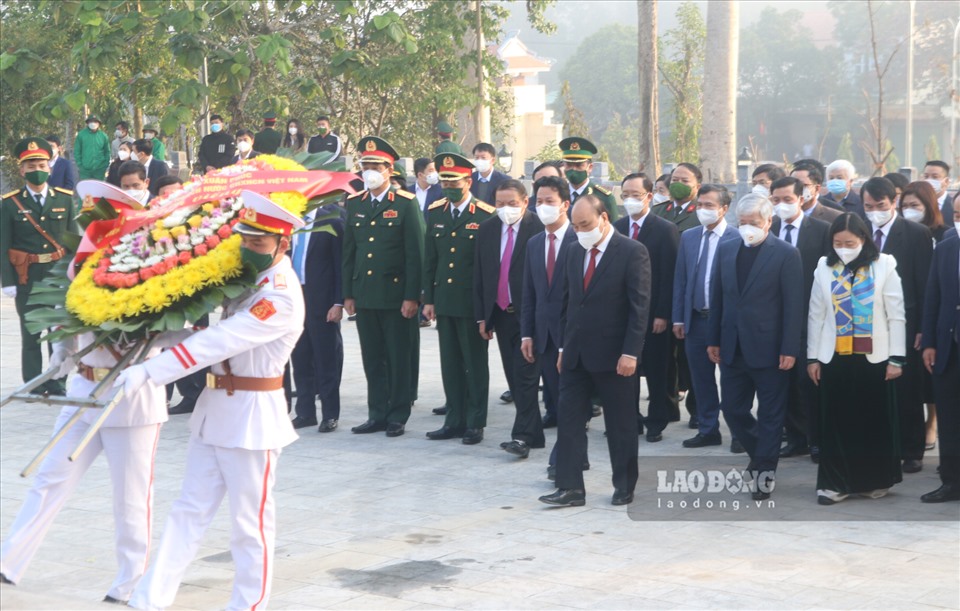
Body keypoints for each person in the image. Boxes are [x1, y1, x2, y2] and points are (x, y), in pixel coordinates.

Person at [121, 190, 305, 611]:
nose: (248, 248)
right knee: (188, 509)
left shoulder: (279, 296)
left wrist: (152, 371)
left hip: (252, 420)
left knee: (249, 524)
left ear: (284, 242)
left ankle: (247, 605)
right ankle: (149, 599)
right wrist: (163, 336)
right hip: (216, 410)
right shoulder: (251, 281)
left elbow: (222, 340)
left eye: (258, 243)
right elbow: (208, 339)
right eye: (245, 240)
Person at [0, 183, 163, 603]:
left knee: (129, 500)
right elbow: (69, 312)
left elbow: (177, 328)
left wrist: (146, 349)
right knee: (49, 477)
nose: (92, 223)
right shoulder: (87, 258)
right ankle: (8, 562)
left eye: (101, 215)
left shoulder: (158, 261)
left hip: (130, 399)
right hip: (84, 388)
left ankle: (129, 582)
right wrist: (61, 354)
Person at [538, 194, 651, 507]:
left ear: (604, 218)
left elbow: (638, 308)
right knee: (570, 421)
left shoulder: (632, 252)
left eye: (585, 224)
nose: (579, 231)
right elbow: (566, 303)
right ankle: (570, 487)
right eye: (575, 226)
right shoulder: (573, 250)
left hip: (615, 357)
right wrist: (562, 345)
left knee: (620, 424)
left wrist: (631, 353)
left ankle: (625, 485)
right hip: (575, 354)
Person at [707, 193, 803, 500]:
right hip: (732, 346)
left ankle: (764, 472)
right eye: (743, 222)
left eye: (754, 223)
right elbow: (718, 298)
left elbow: (793, 306)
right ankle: (762, 453)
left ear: (769, 222)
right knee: (733, 410)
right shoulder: (726, 249)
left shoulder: (786, 254)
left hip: (771, 349)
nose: (748, 228)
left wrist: (790, 348)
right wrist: (713, 339)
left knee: (771, 414)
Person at [807, 213, 905, 504]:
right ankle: (834, 484)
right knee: (836, 422)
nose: (843, 248)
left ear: (863, 240)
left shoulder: (884, 264)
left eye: (850, 242)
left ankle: (873, 480)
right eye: (838, 243)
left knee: (871, 421)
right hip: (834, 356)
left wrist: (897, 358)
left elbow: (895, 314)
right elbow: (816, 315)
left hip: (874, 358)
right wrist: (813, 358)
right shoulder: (823, 267)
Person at [342, 136, 424, 437]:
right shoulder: (355, 203)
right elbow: (349, 252)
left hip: (396, 294)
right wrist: (348, 294)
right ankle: (376, 412)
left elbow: (416, 255)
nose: (369, 171)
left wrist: (412, 296)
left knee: (398, 356)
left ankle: (398, 413)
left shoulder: (405, 204)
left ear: (389, 170)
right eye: (365, 166)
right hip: (365, 294)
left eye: (376, 166)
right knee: (372, 357)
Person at [421, 153, 496, 445]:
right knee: (450, 362)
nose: (449, 187)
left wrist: (486, 308)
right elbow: (431, 258)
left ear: (469, 181)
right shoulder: (437, 211)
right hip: (445, 299)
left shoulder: (485, 214)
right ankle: (454, 419)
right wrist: (428, 297)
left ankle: (475, 422)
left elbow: (489, 267)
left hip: (471, 302)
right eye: (444, 181)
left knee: (474, 363)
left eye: (455, 182)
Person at [862, 176, 933, 474]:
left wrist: (922, 329)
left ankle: (912, 449)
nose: (874, 211)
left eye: (880, 205)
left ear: (894, 201)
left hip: (906, 321)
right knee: (872, 387)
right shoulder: (858, 229)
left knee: (907, 390)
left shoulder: (915, 233)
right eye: (868, 206)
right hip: (868, 322)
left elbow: (925, 284)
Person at [0, 137, 75, 394]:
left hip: (58, 277)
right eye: (30, 167)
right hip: (26, 277)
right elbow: (3, 245)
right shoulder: (9, 203)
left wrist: (77, 275)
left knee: (58, 334)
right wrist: (7, 281)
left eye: (41, 164)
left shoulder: (65, 200)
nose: (37, 170)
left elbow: (72, 241)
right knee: (31, 334)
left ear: (50, 167)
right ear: (21, 170)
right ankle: (33, 383)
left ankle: (58, 382)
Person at [474, 178, 543, 454]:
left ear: (525, 202)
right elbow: (481, 274)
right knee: (515, 379)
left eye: (512, 204)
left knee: (526, 377)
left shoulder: (537, 228)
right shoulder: (488, 229)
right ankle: (534, 434)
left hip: (531, 315)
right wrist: (482, 316)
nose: (505, 209)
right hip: (501, 314)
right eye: (500, 204)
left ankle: (523, 437)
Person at [673, 184, 740, 451]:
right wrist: (679, 318)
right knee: (700, 378)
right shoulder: (689, 237)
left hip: (725, 323)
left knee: (732, 379)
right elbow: (681, 280)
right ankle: (708, 428)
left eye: (709, 205)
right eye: (700, 205)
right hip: (696, 319)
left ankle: (738, 432)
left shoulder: (736, 238)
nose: (703, 210)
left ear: (724, 209)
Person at [613, 172, 679, 442]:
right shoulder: (617, 226)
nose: (630, 200)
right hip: (623, 312)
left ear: (649, 197)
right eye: (625, 195)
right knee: (625, 368)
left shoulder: (665, 229)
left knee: (656, 368)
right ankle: (631, 418)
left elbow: (669, 275)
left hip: (654, 313)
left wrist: (663, 313)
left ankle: (656, 420)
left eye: (635, 195)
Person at [769, 176, 831, 462]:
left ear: (802, 198)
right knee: (784, 381)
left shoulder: (821, 231)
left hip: (811, 317)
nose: (781, 205)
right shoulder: (767, 229)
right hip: (774, 318)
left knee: (809, 381)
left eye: (787, 199)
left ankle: (817, 439)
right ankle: (795, 437)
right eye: (776, 200)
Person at [521, 176, 576, 436]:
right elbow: (529, 293)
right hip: (544, 333)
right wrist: (527, 333)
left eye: (549, 201)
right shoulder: (534, 243)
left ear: (565, 204)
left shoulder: (580, 240)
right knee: (553, 387)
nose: (543, 207)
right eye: (538, 201)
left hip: (573, 332)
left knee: (572, 395)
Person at [290, 200, 345, 433]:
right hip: (294, 299)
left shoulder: (330, 221)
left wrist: (338, 302)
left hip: (322, 301)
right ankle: (305, 412)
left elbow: (340, 265)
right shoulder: (287, 223)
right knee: (300, 359)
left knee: (325, 360)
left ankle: (330, 414)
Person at [920, 209, 960, 503]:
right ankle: (951, 482)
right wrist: (930, 342)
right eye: (957, 213)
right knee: (949, 416)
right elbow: (933, 297)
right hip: (949, 346)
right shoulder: (946, 248)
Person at [558, 137, 618, 220]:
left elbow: (613, 229)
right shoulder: (558, 194)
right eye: (569, 165)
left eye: (579, 165)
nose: (573, 169)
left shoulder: (604, 198)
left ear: (590, 167)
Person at [652, 162, 701, 232]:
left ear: (697, 187)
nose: (678, 184)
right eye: (675, 180)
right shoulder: (657, 211)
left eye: (685, 181)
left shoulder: (701, 212)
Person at [74, 114, 111, 181]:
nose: (93, 123)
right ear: (87, 123)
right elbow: (77, 151)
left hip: (99, 169)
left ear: (99, 123)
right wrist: (80, 165)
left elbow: (107, 152)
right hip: (85, 170)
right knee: (86, 189)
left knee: (98, 190)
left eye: (95, 122)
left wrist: (105, 165)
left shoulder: (103, 136)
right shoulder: (81, 135)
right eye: (91, 121)